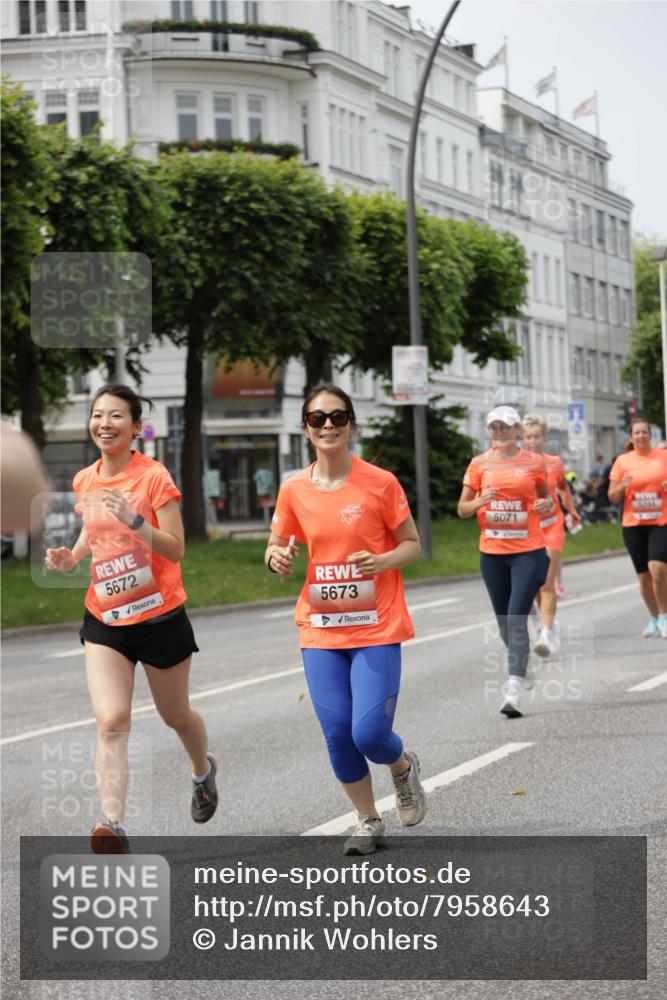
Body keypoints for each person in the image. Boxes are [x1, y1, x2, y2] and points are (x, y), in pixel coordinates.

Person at [45, 384, 218, 852]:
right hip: (105, 616)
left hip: (159, 617)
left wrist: (138, 523)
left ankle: (203, 771)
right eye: (98, 414)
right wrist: (72, 557)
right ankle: (112, 823)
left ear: (136, 426)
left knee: (175, 715)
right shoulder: (86, 479)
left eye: (116, 415)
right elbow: (91, 530)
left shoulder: (154, 478)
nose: (105, 423)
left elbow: (177, 548)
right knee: (112, 719)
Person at [265, 384, 426, 855]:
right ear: (306, 430)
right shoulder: (294, 488)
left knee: (369, 733)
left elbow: (412, 543)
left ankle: (401, 768)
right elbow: (277, 543)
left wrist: (384, 561)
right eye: (318, 419)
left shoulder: (380, 482)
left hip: (376, 624)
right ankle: (367, 819)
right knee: (338, 734)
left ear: (352, 425)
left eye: (338, 417)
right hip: (320, 627)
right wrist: (277, 557)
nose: (329, 425)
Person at [457, 405, 552, 718]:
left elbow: (547, 501)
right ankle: (521, 666)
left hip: (529, 551)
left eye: (505, 427)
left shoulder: (534, 462)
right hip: (492, 553)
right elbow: (462, 509)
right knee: (503, 622)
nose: (499, 433)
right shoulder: (478, 464)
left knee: (515, 617)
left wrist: (544, 504)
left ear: (516, 432)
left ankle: (513, 690)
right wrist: (479, 501)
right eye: (493, 428)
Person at [521, 414, 581, 656]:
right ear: (522, 438)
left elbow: (563, 489)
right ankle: (549, 622)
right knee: (533, 586)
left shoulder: (554, 462)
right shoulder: (516, 464)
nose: (533, 441)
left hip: (552, 526)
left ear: (544, 437)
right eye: (528, 437)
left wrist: (572, 510)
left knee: (547, 582)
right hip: (527, 531)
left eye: (536, 436)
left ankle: (546, 634)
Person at [608, 417, 667, 638]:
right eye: (637, 433)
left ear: (650, 435)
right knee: (643, 576)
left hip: (661, 522)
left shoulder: (663, 457)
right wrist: (623, 485)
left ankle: (664, 615)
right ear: (631, 437)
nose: (641, 436)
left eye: (644, 432)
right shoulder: (623, 461)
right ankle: (653, 618)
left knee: (658, 568)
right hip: (633, 524)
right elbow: (612, 497)